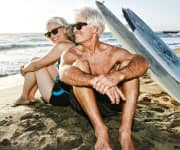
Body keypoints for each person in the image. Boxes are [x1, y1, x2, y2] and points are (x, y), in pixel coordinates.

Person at [59, 7, 149, 150]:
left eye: (78, 26)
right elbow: (64, 73)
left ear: (94, 28)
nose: (74, 30)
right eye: (72, 27)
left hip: (113, 103)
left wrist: (117, 76)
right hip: (83, 104)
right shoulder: (71, 53)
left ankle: (125, 132)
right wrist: (94, 81)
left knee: (128, 67)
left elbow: (143, 62)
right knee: (79, 66)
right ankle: (100, 131)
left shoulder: (113, 52)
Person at [15, 17, 75, 106]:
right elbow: (45, 62)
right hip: (71, 92)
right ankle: (30, 96)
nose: (52, 36)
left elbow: (36, 65)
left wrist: (24, 71)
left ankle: (24, 97)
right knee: (40, 62)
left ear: (65, 29)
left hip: (62, 97)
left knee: (37, 64)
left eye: (54, 31)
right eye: (48, 34)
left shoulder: (62, 46)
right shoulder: (71, 43)